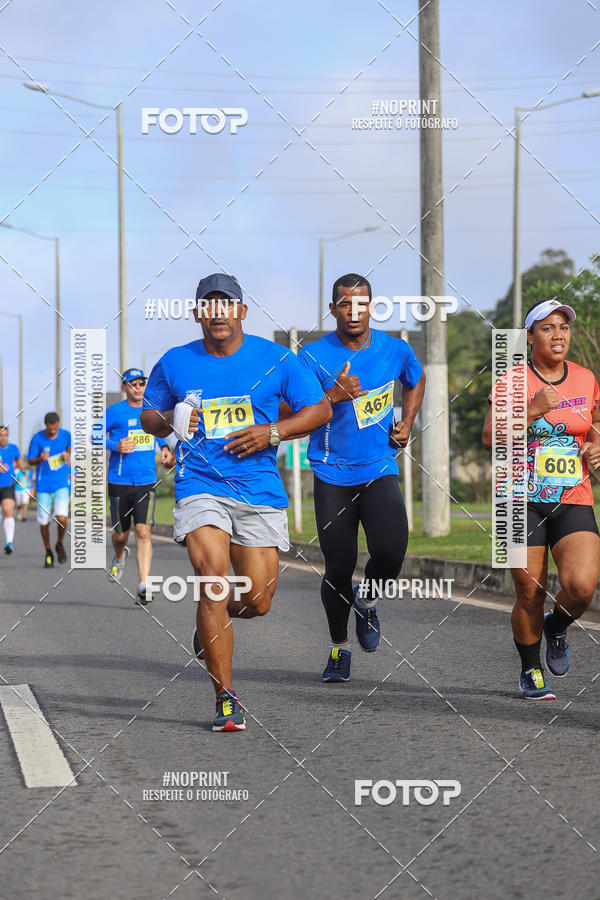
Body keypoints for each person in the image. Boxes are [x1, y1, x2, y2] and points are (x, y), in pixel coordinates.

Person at [141, 273, 330, 731]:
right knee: (213, 581)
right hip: (199, 484)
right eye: (209, 305)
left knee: (258, 601)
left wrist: (273, 431)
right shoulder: (175, 361)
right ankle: (225, 698)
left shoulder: (276, 358)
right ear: (197, 313)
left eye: (227, 305)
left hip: (258, 489)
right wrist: (172, 417)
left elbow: (320, 409)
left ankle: (210, 624)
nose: (218, 313)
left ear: (242, 312)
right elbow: (148, 417)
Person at [294, 274, 425, 683]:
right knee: (339, 565)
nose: (354, 312)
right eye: (345, 304)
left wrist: (407, 420)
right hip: (331, 472)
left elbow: (415, 378)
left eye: (362, 304)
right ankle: (338, 647)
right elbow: (291, 410)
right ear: (333, 309)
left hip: (379, 467)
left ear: (372, 307)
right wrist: (332, 394)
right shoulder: (311, 356)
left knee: (390, 552)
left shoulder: (395, 349)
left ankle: (366, 601)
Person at [482, 298, 600, 700]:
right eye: (547, 328)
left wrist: (596, 446)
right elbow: (488, 438)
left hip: (573, 495)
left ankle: (557, 626)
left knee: (582, 585)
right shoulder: (513, 380)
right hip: (517, 499)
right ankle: (530, 670)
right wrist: (531, 411)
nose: (558, 335)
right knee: (529, 591)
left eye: (563, 327)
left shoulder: (585, 378)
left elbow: (596, 424)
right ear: (530, 336)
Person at [106, 368, 173, 605]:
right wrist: (115, 445)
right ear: (124, 387)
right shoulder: (114, 412)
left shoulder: (152, 410)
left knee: (143, 532)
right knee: (121, 536)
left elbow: (160, 434)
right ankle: (118, 556)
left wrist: (165, 449)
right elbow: (94, 436)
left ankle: (143, 583)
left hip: (145, 482)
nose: (138, 387)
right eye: (132, 384)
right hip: (119, 481)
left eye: (141, 383)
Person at [27, 412, 71, 568]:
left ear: (58, 424)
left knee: (62, 517)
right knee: (44, 522)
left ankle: (59, 544)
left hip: (61, 484)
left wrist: (67, 455)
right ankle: (48, 551)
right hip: (43, 486)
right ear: (46, 425)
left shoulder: (66, 435)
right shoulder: (37, 438)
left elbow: (71, 449)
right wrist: (40, 458)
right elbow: (30, 460)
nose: (52, 431)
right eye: (49, 429)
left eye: (54, 429)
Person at [0, 425, 25, 554]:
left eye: (5, 435)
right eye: (0, 435)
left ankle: (9, 542)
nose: (3, 438)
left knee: (7, 510)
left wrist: (24, 472)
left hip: (7, 485)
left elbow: (20, 462)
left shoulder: (14, 448)